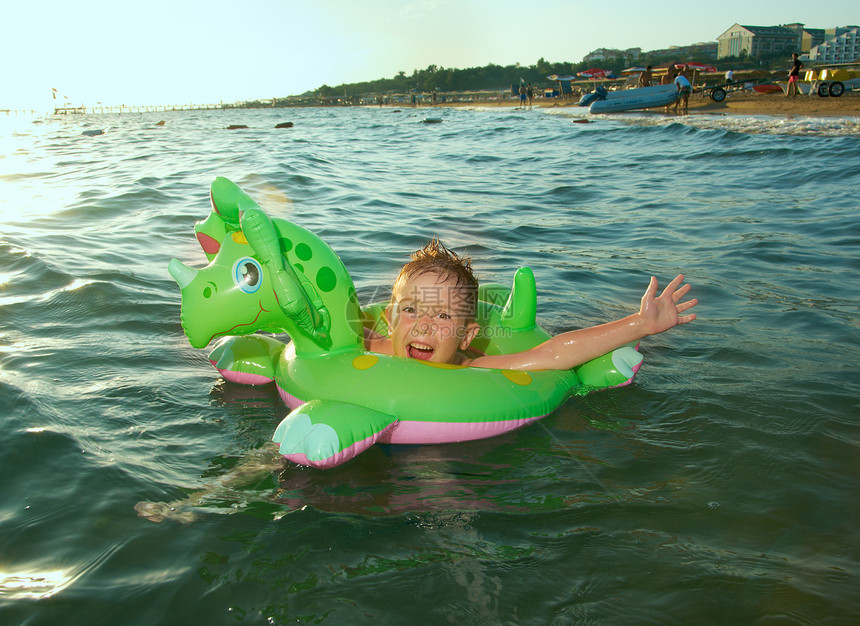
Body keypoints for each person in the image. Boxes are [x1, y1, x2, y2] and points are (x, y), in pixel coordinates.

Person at [365, 239, 697, 371]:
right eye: (410, 309)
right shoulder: (374, 347)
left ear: (467, 337)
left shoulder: (472, 370)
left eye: (441, 314)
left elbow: (550, 354)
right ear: (389, 321)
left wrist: (640, 324)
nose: (423, 325)